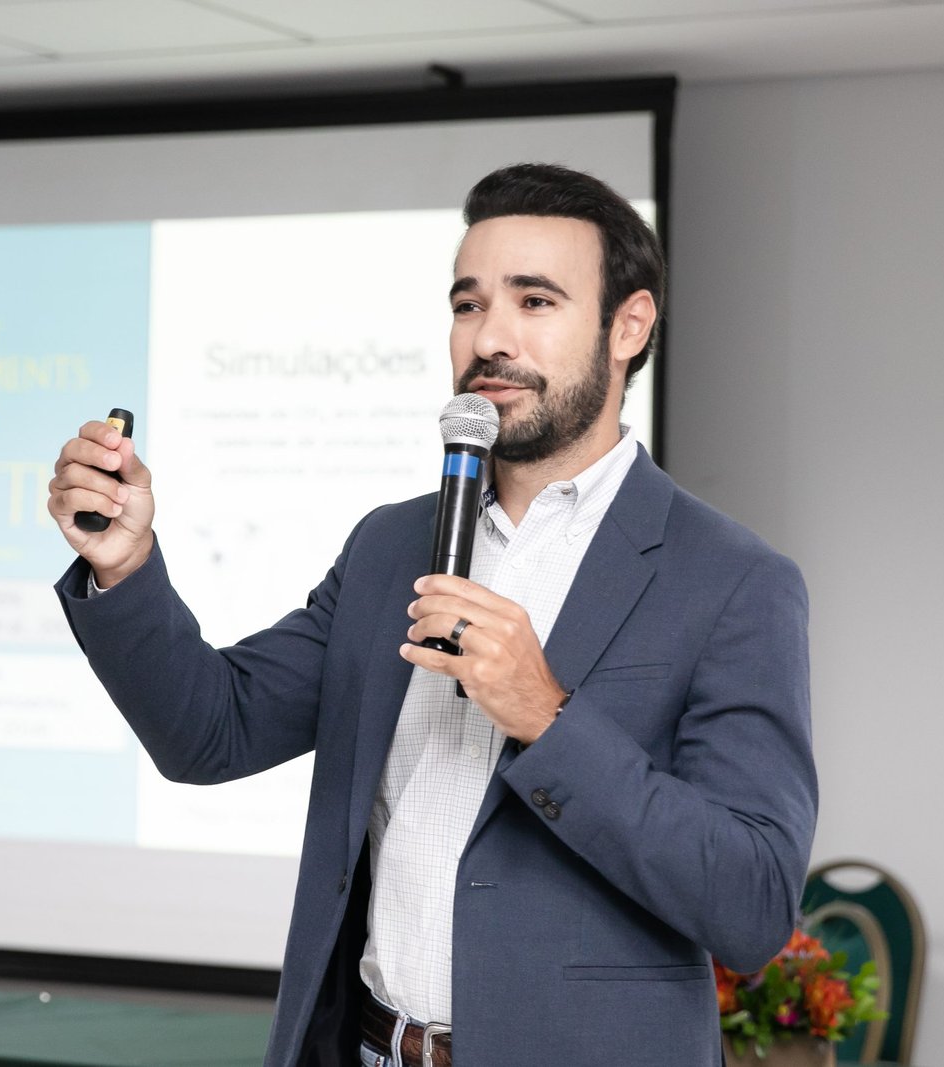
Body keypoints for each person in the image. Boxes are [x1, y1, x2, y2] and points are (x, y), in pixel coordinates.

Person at [48, 163, 816, 1067]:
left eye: (535, 301)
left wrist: (548, 717)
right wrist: (125, 564)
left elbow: (752, 904)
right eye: (468, 304)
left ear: (629, 325)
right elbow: (211, 732)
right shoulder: (391, 545)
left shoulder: (731, 580)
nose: (489, 337)